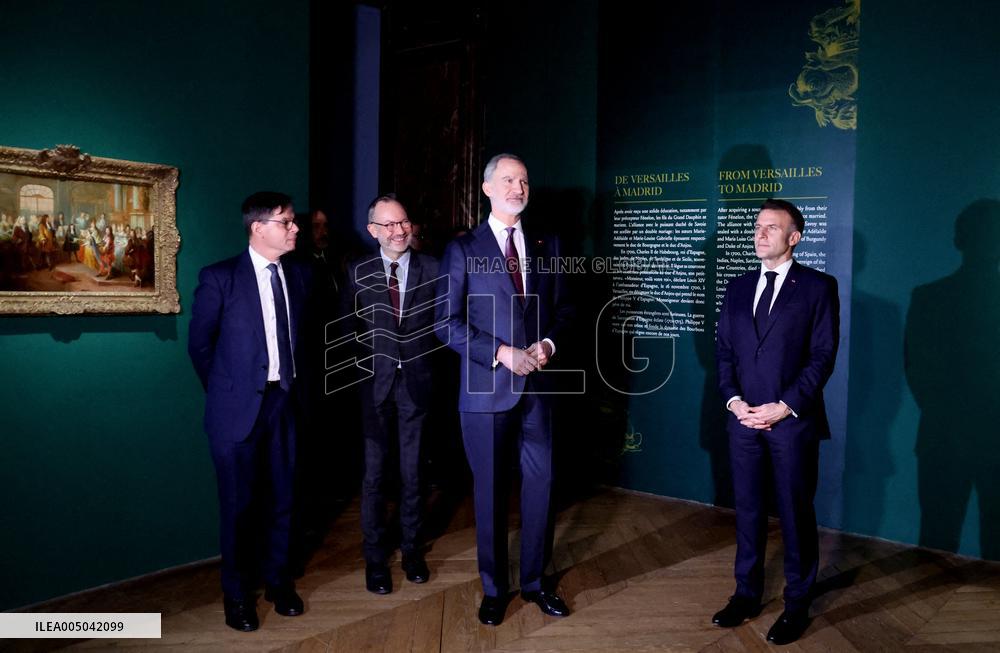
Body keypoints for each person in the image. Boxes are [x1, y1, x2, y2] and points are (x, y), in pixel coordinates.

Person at [435, 153, 573, 626]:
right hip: (485, 391)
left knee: (541, 486)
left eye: (525, 180)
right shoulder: (463, 249)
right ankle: (494, 589)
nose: (518, 187)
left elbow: (564, 311)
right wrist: (501, 353)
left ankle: (534, 582)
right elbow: (445, 324)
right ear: (488, 188)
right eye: (509, 179)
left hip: (538, 389)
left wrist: (549, 345)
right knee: (490, 492)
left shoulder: (547, 242)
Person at [713, 198, 840, 645]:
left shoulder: (819, 288)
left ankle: (797, 603)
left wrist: (785, 406)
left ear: (794, 237)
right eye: (758, 226)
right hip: (742, 421)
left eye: (772, 227)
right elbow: (725, 352)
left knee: (794, 513)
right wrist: (733, 402)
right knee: (747, 511)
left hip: (791, 423)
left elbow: (822, 357)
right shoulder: (736, 287)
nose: (760, 233)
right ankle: (746, 594)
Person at [188, 191, 311, 632]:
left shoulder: (298, 276)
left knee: (285, 501)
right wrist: (231, 395)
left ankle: (280, 583)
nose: (295, 228)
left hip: (286, 405)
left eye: (293, 221)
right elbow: (200, 347)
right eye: (286, 221)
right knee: (239, 509)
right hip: (236, 414)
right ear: (258, 228)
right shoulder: (219, 277)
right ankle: (237, 596)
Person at [345, 195, 440, 594]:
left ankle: (412, 550)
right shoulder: (356, 272)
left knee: (414, 472)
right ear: (373, 231)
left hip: (417, 386)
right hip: (373, 389)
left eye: (403, 223)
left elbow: (444, 326)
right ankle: (375, 559)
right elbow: (345, 332)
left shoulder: (434, 269)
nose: (398, 231)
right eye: (388, 225)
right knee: (374, 476)